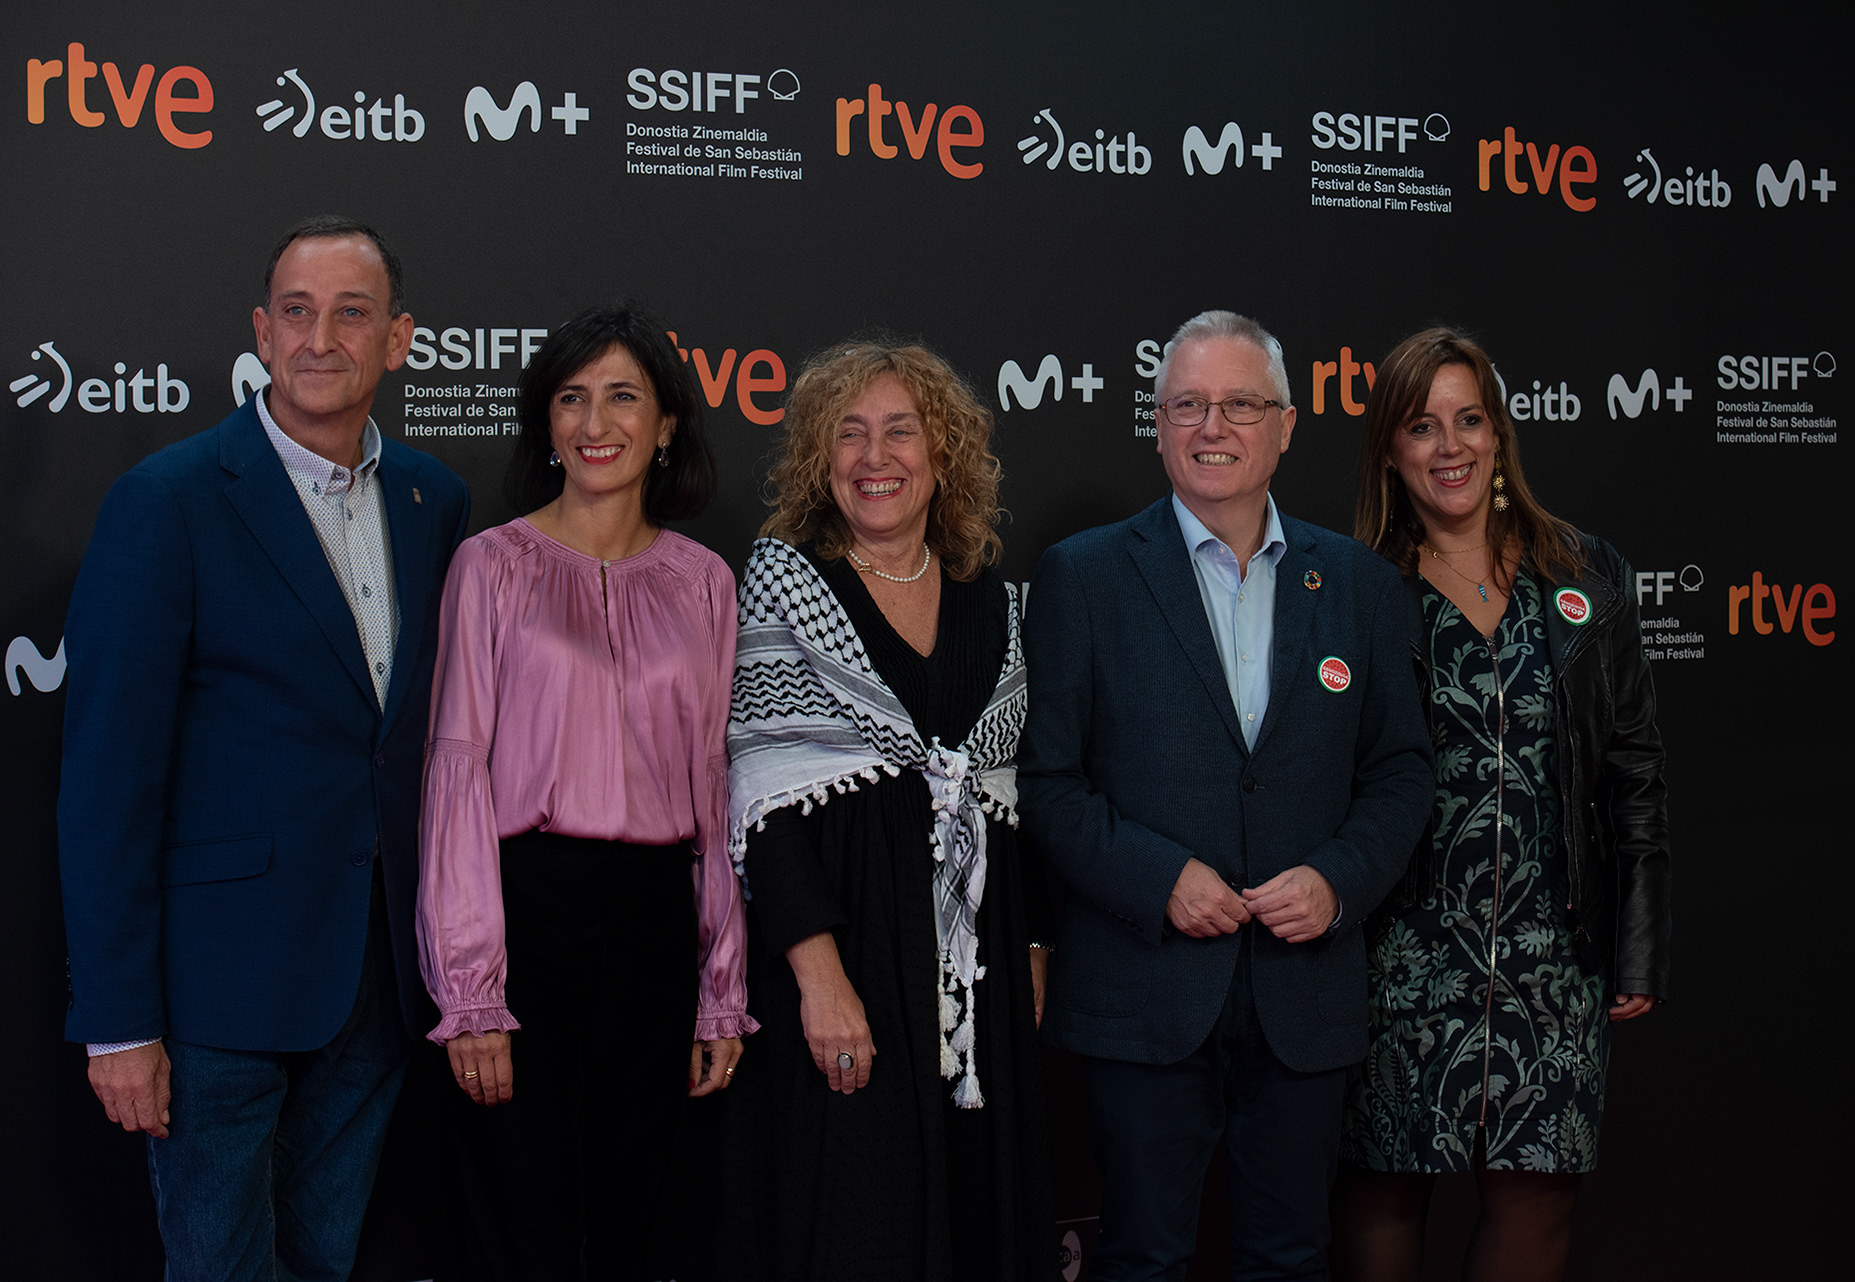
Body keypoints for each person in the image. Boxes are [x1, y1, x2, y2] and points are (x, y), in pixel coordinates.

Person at [58, 215, 469, 1280]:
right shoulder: (169, 501)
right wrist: (117, 1021)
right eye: (296, 311)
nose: (319, 338)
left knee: (325, 1262)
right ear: (261, 330)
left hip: (377, 983)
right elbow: (107, 782)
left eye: (351, 313)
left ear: (400, 339)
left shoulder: (433, 501)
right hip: (216, 993)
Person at [1017, 309, 1435, 1282]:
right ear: (1158, 425)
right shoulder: (1083, 575)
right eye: (1188, 405)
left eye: (1240, 404)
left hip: (1304, 992)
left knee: (1290, 1258)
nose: (1213, 427)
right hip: (1142, 986)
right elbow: (1048, 782)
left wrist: (1337, 880)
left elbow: (1402, 772)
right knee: (1143, 1256)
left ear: (1285, 425)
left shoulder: (1361, 585)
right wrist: (1159, 877)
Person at [415, 302, 752, 1278]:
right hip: (527, 918)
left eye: (622, 397)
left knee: (642, 1218)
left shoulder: (704, 581)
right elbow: (456, 775)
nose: (595, 422)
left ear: (667, 423)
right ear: (546, 422)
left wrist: (720, 988)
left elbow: (714, 788)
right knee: (522, 1216)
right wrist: (473, 994)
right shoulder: (490, 565)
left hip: (655, 925)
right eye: (571, 398)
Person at [1330, 327, 1670, 1282]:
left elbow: (1635, 771)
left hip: (1553, 957)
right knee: (1382, 1200)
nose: (1451, 446)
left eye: (1469, 420)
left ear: (1499, 434)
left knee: (1535, 1209)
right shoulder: (1356, 590)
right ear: (1390, 453)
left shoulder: (1587, 573)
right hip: (1400, 960)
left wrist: (1638, 941)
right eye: (1422, 426)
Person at [719, 340, 1055, 1281]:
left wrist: (1031, 950)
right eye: (850, 435)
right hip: (847, 958)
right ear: (819, 461)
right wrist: (820, 979)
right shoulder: (788, 584)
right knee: (857, 1217)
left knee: (976, 1215)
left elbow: (1010, 793)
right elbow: (763, 799)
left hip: (974, 970)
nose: (876, 457)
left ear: (942, 454)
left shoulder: (991, 598)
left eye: (901, 432)